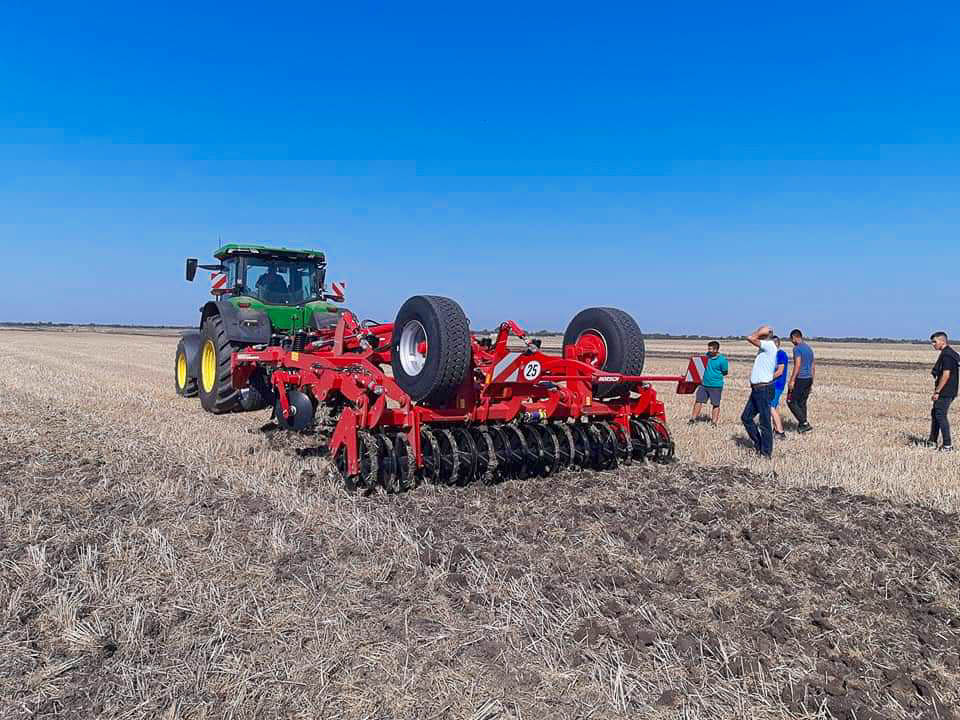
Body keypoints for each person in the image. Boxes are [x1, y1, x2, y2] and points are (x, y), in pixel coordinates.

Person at [741, 324, 778, 457]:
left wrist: (760, 331)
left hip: (763, 389)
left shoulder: (769, 345)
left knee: (765, 421)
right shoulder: (765, 347)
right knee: (746, 417)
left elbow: (750, 338)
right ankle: (759, 444)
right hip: (758, 389)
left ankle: (766, 452)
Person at [928, 331, 958, 451]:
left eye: (934, 341)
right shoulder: (950, 353)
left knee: (940, 415)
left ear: (942, 341)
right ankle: (932, 441)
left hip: (946, 391)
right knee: (935, 413)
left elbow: (946, 374)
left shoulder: (947, 355)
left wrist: (937, 391)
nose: (933, 344)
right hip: (949, 390)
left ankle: (947, 445)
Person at [690, 341, 728, 426]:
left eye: (710, 349)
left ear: (716, 349)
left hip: (716, 386)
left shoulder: (722, 360)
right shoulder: (706, 357)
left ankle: (714, 422)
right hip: (703, 384)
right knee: (698, 401)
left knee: (715, 404)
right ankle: (692, 419)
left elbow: (725, 372)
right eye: (708, 348)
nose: (708, 350)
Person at [787, 329, 815, 433]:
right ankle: (802, 426)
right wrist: (811, 381)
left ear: (794, 337)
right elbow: (813, 366)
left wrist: (792, 380)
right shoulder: (809, 348)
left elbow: (797, 365)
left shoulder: (797, 349)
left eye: (791, 339)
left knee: (791, 401)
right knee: (802, 402)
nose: (791, 341)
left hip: (800, 378)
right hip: (808, 378)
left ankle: (804, 423)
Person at [770, 336, 789, 440]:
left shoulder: (781, 354)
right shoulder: (772, 354)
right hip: (772, 384)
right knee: (774, 406)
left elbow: (780, 371)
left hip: (777, 384)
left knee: (770, 406)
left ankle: (780, 431)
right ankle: (776, 428)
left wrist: (767, 378)